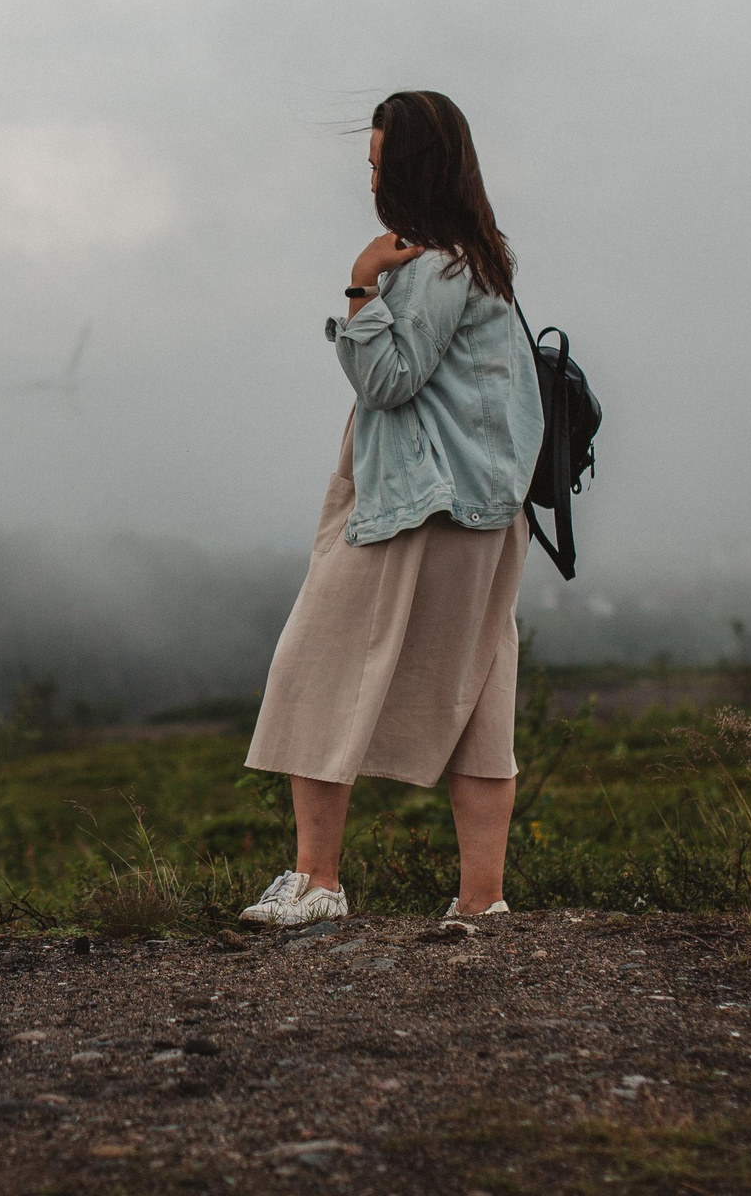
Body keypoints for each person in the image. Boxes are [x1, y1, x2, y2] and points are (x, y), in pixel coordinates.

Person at [239, 89, 544, 926]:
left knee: (317, 665)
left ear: (409, 171)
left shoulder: (434, 267)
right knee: (480, 690)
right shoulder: (485, 261)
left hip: (421, 505)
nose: (371, 182)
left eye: (379, 165)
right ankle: (481, 900)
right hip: (488, 510)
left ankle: (316, 881)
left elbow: (386, 380)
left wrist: (360, 285)